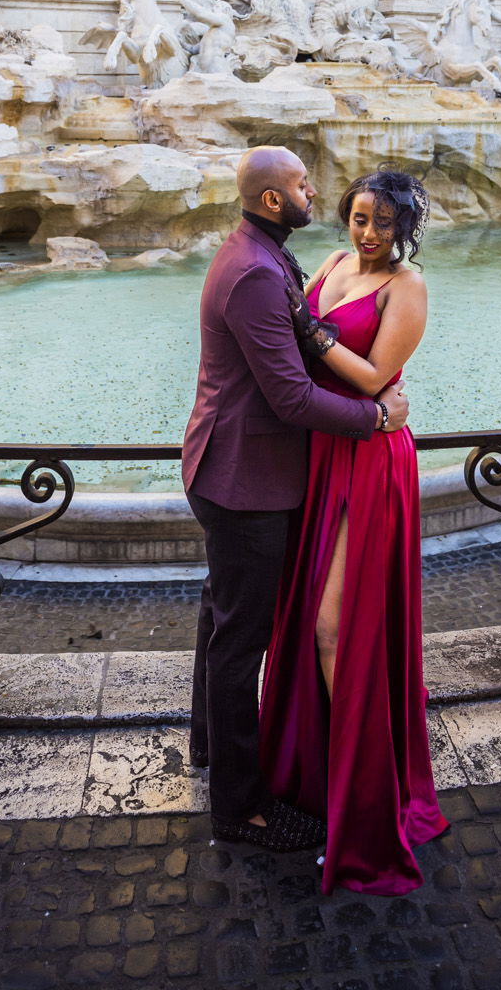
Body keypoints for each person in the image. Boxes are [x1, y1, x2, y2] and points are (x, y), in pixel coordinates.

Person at [182, 146, 409, 852]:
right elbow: (286, 394)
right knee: (239, 641)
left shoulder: (264, 251)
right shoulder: (255, 269)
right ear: (274, 200)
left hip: (239, 468)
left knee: (223, 613)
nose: (319, 194)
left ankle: (207, 747)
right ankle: (239, 809)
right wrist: (373, 418)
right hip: (243, 478)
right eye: (305, 186)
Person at [259, 169, 448, 894]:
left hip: (370, 460)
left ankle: (366, 798)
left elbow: (373, 378)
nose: (366, 233)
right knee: (307, 620)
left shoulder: (409, 286)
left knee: (336, 628)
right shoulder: (334, 264)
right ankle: (319, 776)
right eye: (358, 217)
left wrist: (306, 330)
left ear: (404, 227)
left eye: (381, 222)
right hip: (320, 452)